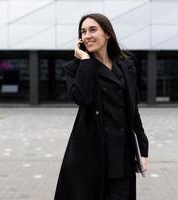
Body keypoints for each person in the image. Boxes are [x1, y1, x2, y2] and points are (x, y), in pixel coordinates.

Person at [54, 13, 149, 200]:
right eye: (83, 31)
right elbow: (82, 98)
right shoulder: (75, 68)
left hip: (122, 155)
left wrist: (143, 150)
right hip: (90, 156)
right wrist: (86, 62)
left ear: (107, 34)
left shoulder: (126, 66)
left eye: (92, 29)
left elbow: (133, 111)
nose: (87, 35)